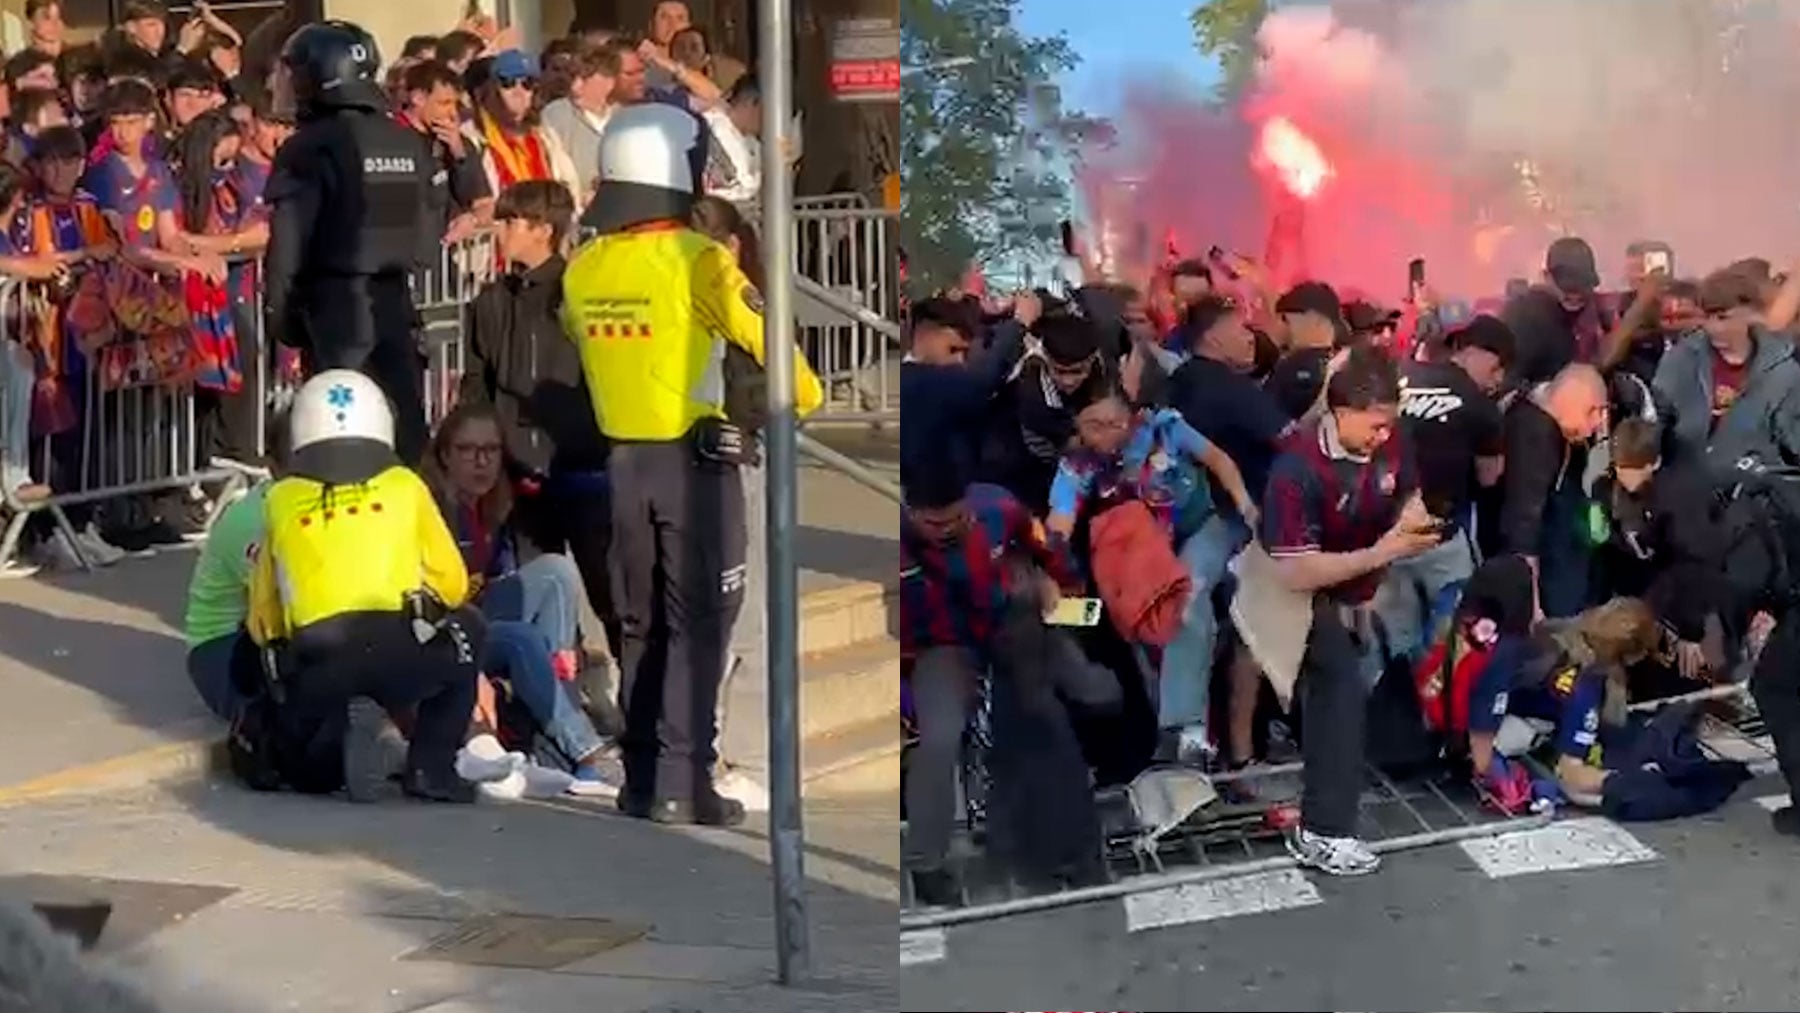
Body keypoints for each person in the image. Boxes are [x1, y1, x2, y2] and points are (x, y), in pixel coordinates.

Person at [561, 102, 823, 825]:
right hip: (695, 465)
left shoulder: (583, 268)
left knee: (639, 623)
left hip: (623, 464)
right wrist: (800, 397)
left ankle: (642, 777)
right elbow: (773, 350)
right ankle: (686, 779)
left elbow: (577, 338)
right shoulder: (700, 258)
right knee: (701, 622)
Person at [244, 370, 482, 803]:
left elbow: (263, 616)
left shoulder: (280, 498)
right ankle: (431, 767)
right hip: (394, 649)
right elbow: (453, 582)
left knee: (311, 761)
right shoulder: (404, 486)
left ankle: (342, 730)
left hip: (315, 657)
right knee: (472, 629)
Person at [1259, 346, 1440, 875]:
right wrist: (1385, 554)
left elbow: (1409, 496)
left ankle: (1324, 803)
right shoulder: (1295, 468)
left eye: (1390, 425)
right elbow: (1296, 573)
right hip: (1280, 581)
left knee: (1343, 682)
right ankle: (1322, 831)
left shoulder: (1394, 439)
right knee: (1336, 679)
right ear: (1339, 412)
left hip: (1352, 572)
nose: (1384, 437)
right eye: (1375, 426)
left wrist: (1408, 534)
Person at [263, 20, 444, 463]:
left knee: (343, 434)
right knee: (404, 430)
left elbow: (289, 241)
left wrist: (282, 316)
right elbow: (427, 239)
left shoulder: (309, 148)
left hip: (335, 313)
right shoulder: (407, 140)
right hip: (395, 304)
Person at [1047, 384, 1257, 762]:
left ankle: (1185, 728)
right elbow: (1060, 518)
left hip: (1201, 530)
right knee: (1157, 627)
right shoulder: (1080, 462)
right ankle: (1184, 739)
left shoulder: (1164, 427)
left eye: (1115, 422)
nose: (1107, 433)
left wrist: (1246, 507)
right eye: (1094, 425)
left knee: (1188, 597)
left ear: (1132, 417)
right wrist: (1053, 559)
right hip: (1145, 555)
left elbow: (1219, 460)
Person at [422, 405, 618, 797]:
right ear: (444, 455)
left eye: (491, 451)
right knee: (519, 639)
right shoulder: (432, 507)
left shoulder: (494, 505)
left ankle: (555, 732)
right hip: (439, 630)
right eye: (467, 450)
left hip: (478, 612)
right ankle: (586, 751)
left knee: (554, 572)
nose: (481, 462)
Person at [1376, 315, 1511, 662]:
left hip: (1385, 532)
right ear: (1473, 352)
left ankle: (1398, 709)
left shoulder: (1397, 375)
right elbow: (1489, 476)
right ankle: (1442, 706)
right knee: (1455, 632)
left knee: (1395, 638)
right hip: (1441, 537)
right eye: (1496, 368)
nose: (1498, 380)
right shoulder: (1479, 405)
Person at [184, 413, 287, 721]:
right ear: (274, 466)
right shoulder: (255, 520)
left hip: (262, 634)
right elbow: (278, 609)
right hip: (222, 645)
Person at [1654, 266, 1800, 480]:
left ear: (1751, 314)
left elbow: (1792, 443)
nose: (1713, 327)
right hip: (1686, 489)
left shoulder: (1782, 372)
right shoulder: (1681, 360)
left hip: (1753, 496)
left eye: (1723, 317)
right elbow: (1654, 424)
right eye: (1707, 317)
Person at [1499, 363, 1610, 619]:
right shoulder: (1535, 440)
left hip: (1573, 546)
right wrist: (1532, 603)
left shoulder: (1563, 428)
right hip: (1552, 571)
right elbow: (1523, 526)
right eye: (1592, 411)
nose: (1597, 423)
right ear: (1567, 399)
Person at [468, 49, 580, 206]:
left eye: (528, 84)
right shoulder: (472, 137)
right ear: (491, 89)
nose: (519, 92)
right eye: (508, 83)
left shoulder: (545, 136)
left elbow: (569, 186)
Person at [538, 42, 622, 200]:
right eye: (573, 77)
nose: (574, 87)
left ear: (609, 82)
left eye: (585, 79)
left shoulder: (624, 120)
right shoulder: (555, 115)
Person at [1267, 280, 1345, 421]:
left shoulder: (1298, 368)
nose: (1280, 328)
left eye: (1285, 319)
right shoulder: (1341, 364)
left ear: (1315, 317)